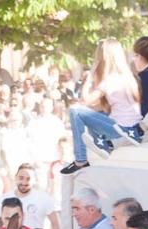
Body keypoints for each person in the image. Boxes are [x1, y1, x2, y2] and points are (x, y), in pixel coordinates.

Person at [60, 38, 142, 173]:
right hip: (132, 128)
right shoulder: (128, 77)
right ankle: (101, 144)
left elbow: (85, 100)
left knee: (75, 110)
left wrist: (91, 74)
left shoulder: (111, 79)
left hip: (121, 130)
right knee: (89, 113)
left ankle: (80, 159)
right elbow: (101, 108)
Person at [0, 164, 60, 229]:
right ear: (15, 178)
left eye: (28, 179)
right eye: (21, 178)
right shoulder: (4, 198)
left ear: (34, 180)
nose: (24, 182)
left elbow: (55, 225)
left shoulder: (43, 198)